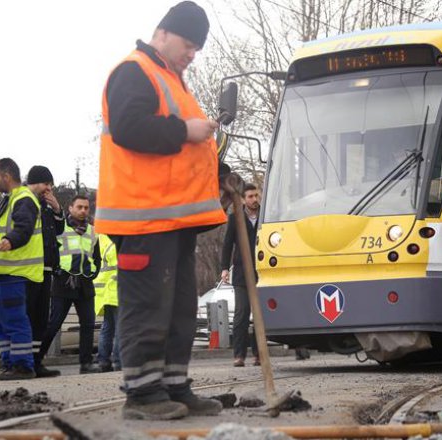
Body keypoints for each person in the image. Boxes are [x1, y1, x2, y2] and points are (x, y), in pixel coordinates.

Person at [96, 0, 227, 420]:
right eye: (189, 44)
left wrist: (219, 172)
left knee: (179, 310)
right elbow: (129, 128)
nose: (192, 54)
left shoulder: (172, 80)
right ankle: (142, 394)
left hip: (171, 220)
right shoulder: (134, 71)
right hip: (144, 219)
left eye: (197, 48)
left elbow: (182, 153)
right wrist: (184, 130)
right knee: (148, 308)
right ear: (163, 33)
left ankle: (173, 386)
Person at [0, 158, 43, 381]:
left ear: (7, 176)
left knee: (14, 320)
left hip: (14, 272)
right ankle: (10, 364)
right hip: (1, 273)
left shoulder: (23, 198)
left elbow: (24, 227)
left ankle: (22, 366)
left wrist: (11, 240)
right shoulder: (10, 199)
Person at [39, 195, 101, 374]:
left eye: (86, 208)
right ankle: (36, 360)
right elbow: (51, 249)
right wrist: (57, 270)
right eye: (79, 207)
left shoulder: (92, 231)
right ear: (71, 208)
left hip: (84, 282)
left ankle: (86, 364)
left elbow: (96, 256)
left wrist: (93, 272)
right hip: (63, 281)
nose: (83, 211)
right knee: (54, 323)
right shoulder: (61, 227)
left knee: (88, 324)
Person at [24, 165, 65, 378]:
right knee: (28, 315)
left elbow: (58, 230)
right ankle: (23, 362)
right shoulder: (25, 202)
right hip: (28, 268)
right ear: (34, 182)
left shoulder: (46, 206)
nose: (49, 189)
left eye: (51, 185)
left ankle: (36, 361)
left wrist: (57, 210)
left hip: (46, 268)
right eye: (46, 184)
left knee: (41, 319)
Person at [221, 183, 261, 368]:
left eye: (256, 195)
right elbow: (227, 244)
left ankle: (260, 354)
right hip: (241, 273)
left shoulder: (265, 215)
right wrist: (224, 268)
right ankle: (239, 355)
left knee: (259, 315)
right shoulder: (235, 218)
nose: (254, 199)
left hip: (262, 271)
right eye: (250, 196)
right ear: (244, 200)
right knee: (242, 313)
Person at [94, 233, 121, 372]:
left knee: (108, 326)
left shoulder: (102, 236)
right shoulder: (118, 238)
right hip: (117, 289)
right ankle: (118, 361)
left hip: (107, 290)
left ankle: (103, 360)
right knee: (120, 327)